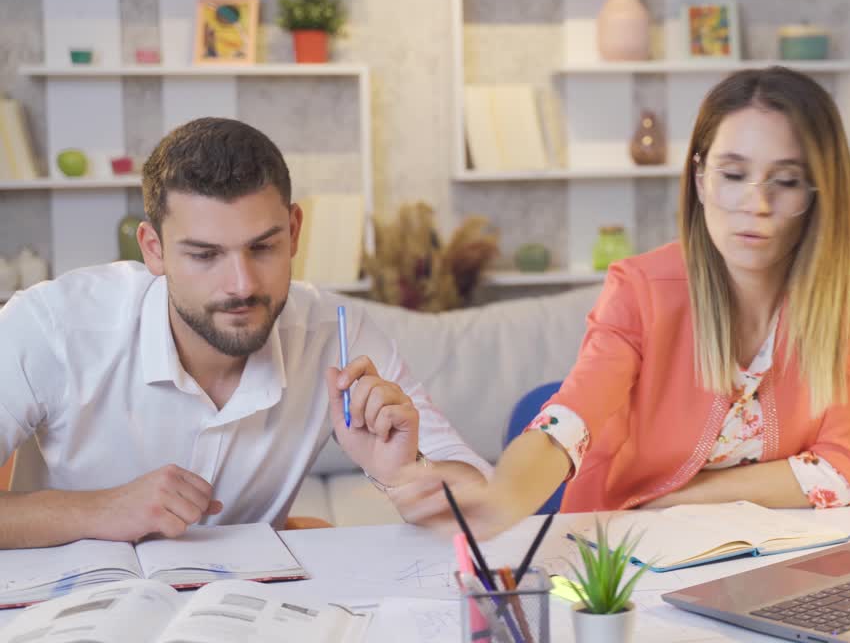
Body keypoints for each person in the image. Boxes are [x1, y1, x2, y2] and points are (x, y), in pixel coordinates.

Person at [389, 67, 850, 538]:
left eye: (787, 181)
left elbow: (839, 469)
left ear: (818, 194)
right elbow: (571, 419)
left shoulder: (834, 292)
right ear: (701, 178)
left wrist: (678, 499)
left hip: (761, 553)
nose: (758, 204)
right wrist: (501, 500)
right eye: (733, 174)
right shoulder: (639, 290)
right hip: (629, 555)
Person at [0, 117, 490, 550]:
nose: (242, 285)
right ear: (153, 248)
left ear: (295, 232)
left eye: (262, 248)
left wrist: (406, 473)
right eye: (204, 255)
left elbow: (489, 513)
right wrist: (99, 511)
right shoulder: (55, 325)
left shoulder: (338, 336)